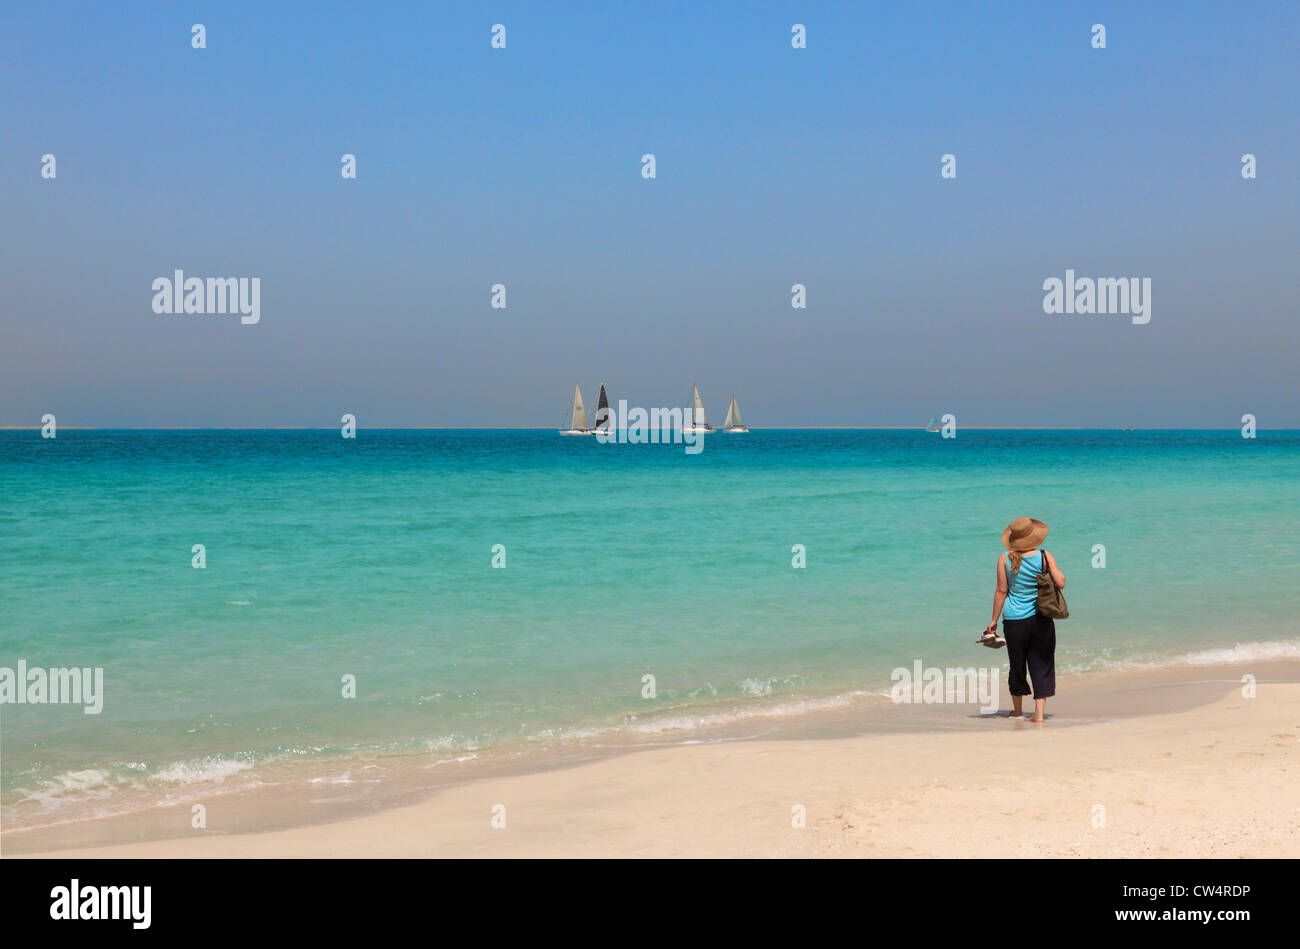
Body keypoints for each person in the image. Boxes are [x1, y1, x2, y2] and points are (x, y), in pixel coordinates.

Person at [980, 516, 1065, 723]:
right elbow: (1061, 583)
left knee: (1017, 664)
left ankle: (1017, 711)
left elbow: (1001, 591)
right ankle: (1038, 713)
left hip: (1014, 621)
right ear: (1033, 536)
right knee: (1041, 662)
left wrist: (993, 620)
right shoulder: (1044, 556)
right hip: (1041, 618)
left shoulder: (1004, 558)